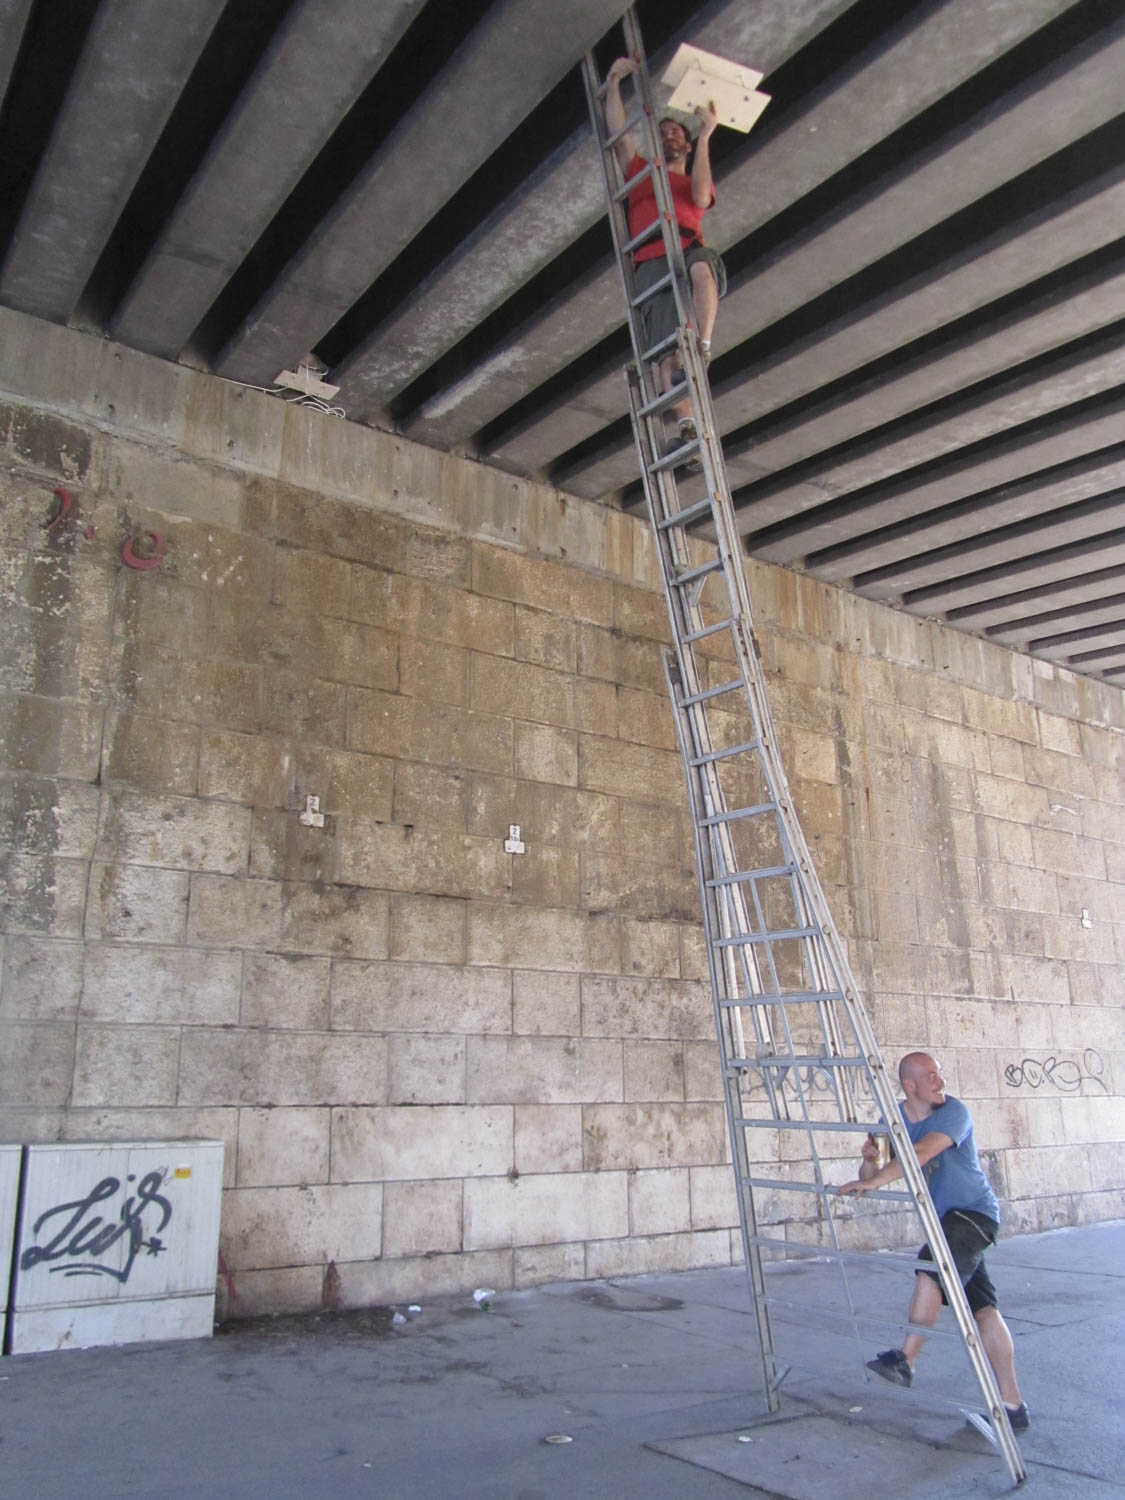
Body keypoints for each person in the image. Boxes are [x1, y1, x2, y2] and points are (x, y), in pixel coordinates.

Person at [835, 1052, 1029, 1434]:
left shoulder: (954, 1112)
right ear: (910, 1086)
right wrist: (869, 1162)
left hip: (975, 1216)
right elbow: (872, 1171)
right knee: (984, 1311)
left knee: (930, 1268)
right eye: (931, 1076)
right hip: (945, 1225)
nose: (941, 1082)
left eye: (940, 1074)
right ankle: (1013, 1406)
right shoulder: (892, 1120)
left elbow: (920, 1154)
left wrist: (874, 1178)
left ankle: (906, 1360)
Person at [604, 56, 726, 467]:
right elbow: (618, 137)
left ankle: (702, 348)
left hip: (686, 247)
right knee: (665, 357)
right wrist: (614, 83)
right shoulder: (641, 172)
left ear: (685, 145)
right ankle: (687, 430)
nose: (669, 135)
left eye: (676, 132)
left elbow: (701, 195)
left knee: (703, 270)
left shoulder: (689, 179)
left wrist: (706, 136)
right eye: (663, 132)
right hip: (651, 261)